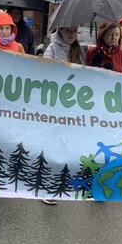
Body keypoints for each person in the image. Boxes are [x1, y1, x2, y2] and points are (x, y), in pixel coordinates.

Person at [41, 26, 85, 206]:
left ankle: (61, 183)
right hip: (55, 103)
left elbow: (85, 74)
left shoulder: (79, 50)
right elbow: (44, 71)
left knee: (67, 145)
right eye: (68, 31)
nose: (71, 34)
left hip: (73, 105)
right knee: (54, 144)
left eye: (74, 31)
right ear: (60, 31)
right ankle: (48, 187)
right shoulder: (52, 48)